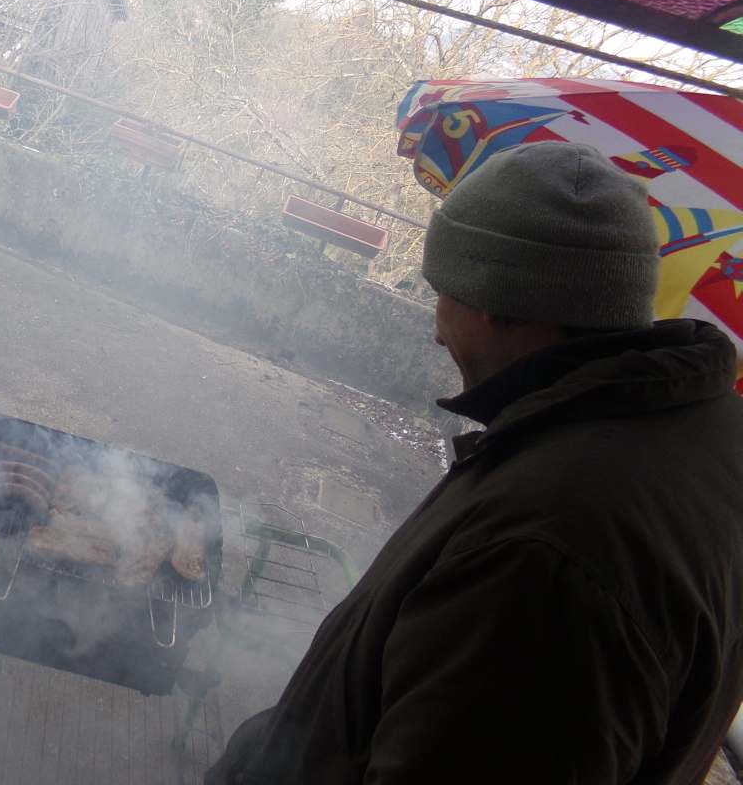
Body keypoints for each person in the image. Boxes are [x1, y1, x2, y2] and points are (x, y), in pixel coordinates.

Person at [208, 141, 743, 783]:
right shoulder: (705, 428)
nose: (437, 330)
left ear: (494, 298)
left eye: (443, 294)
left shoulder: (547, 550)